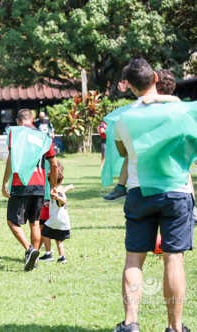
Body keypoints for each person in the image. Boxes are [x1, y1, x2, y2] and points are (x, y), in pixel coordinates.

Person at [113, 58, 195, 332]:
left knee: (134, 258)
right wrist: (171, 102)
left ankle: (130, 323)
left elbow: (123, 152)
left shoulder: (124, 118)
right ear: (156, 80)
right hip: (177, 190)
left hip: (139, 190)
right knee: (174, 258)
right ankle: (174, 326)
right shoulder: (180, 112)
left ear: (131, 88)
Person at [103, 69, 181, 201]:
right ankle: (120, 186)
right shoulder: (168, 106)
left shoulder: (165, 104)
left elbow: (176, 100)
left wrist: (155, 98)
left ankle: (121, 186)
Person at [1, 109, 58, 271]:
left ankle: (29, 249)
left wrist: (5, 182)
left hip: (21, 182)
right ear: (32, 120)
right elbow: (54, 165)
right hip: (40, 184)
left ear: (18, 121)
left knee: (12, 221)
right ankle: (34, 261)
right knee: (35, 222)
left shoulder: (16, 133)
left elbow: (11, 159)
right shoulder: (45, 137)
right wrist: (53, 186)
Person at [39, 161, 73, 264]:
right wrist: (50, 203)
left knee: (44, 233)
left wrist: (57, 197)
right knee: (58, 240)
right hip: (62, 221)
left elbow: (62, 201)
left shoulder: (58, 192)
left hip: (56, 220)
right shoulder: (58, 190)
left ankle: (48, 253)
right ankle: (62, 257)